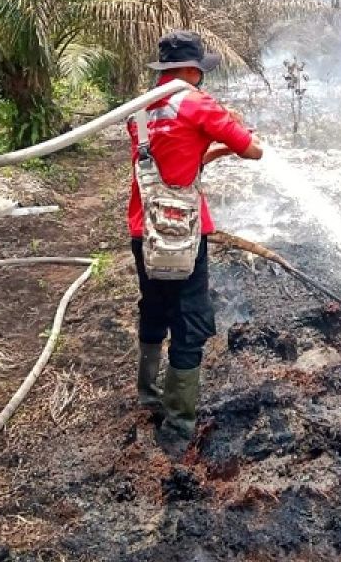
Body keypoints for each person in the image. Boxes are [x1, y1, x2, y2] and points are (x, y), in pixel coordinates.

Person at [127, 32, 262, 449]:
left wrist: (215, 149)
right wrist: (237, 133)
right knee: (190, 322)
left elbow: (170, 162)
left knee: (154, 309)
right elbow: (254, 151)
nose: (202, 77)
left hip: (145, 231)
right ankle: (178, 427)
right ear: (188, 71)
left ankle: (148, 395)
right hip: (183, 237)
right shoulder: (199, 104)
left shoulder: (141, 112)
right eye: (200, 70)